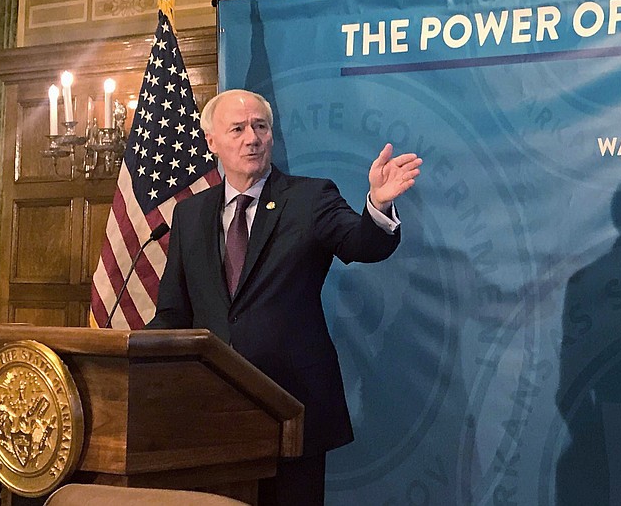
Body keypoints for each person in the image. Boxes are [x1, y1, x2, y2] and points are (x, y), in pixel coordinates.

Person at [147, 89, 422, 505]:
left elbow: (361, 244)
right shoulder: (191, 214)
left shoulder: (309, 198)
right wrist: (131, 353)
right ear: (211, 142)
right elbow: (173, 312)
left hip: (292, 408)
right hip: (212, 412)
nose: (251, 138)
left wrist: (377, 206)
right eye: (237, 129)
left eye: (260, 126)